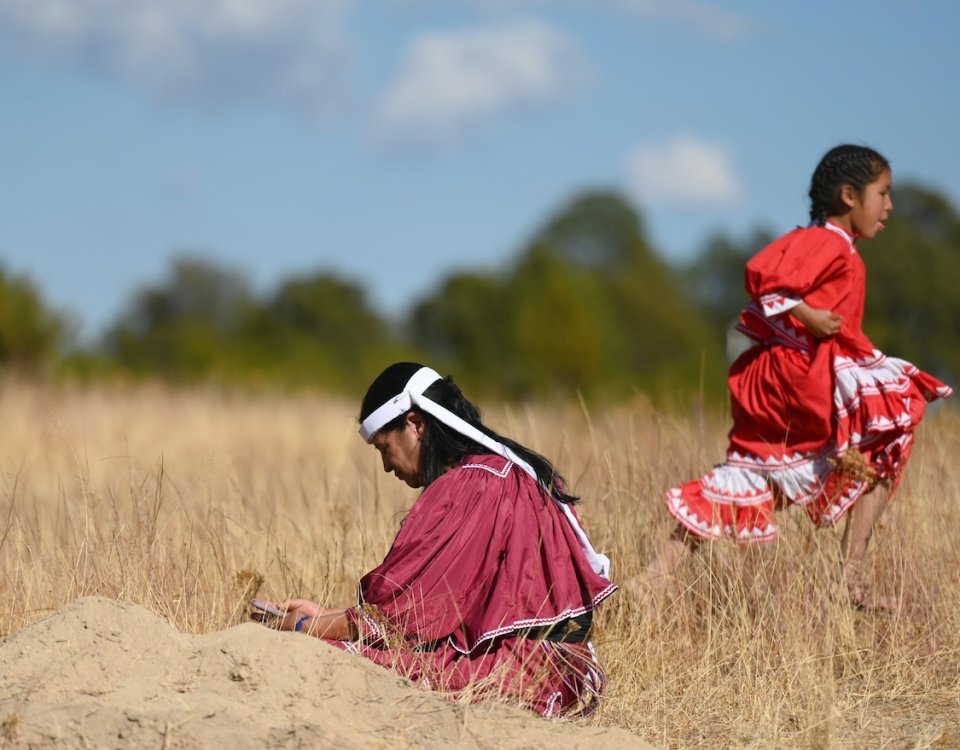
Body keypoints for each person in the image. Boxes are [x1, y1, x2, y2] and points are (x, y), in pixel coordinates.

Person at [628, 144, 952, 611]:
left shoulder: (832, 245)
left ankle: (655, 578)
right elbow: (764, 276)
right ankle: (849, 581)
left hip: (782, 379)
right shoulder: (826, 242)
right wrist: (810, 315)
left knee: (751, 476)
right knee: (891, 434)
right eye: (882, 194)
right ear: (848, 196)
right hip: (801, 378)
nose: (889, 206)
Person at [251, 362, 618, 718]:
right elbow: (425, 609)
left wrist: (306, 629)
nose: (386, 466)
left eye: (384, 448)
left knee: (332, 655)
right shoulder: (501, 470)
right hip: (564, 666)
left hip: (527, 673)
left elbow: (404, 618)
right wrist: (324, 614)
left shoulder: (471, 485)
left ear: (415, 424)